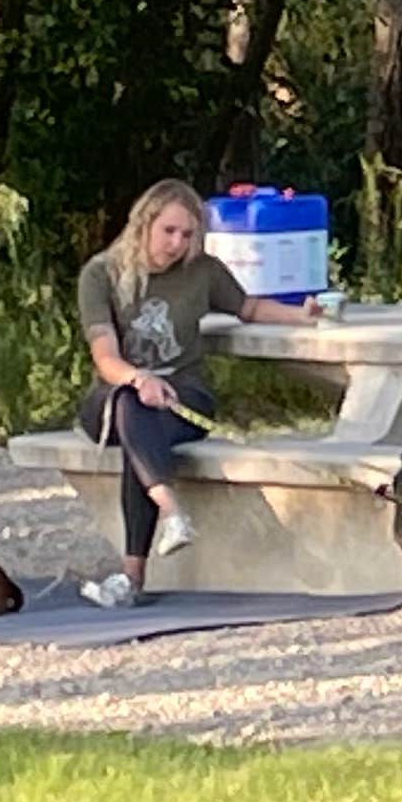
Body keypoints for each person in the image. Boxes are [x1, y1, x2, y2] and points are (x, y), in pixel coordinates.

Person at [73, 179, 317, 604]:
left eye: (187, 234)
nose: (177, 243)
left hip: (182, 396)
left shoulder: (202, 270)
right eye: (169, 231)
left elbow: (249, 308)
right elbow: (105, 357)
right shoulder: (101, 274)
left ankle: (132, 577)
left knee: (141, 434)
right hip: (119, 394)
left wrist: (302, 315)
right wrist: (138, 377)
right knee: (133, 407)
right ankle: (170, 511)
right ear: (143, 225)